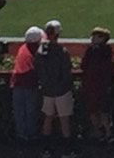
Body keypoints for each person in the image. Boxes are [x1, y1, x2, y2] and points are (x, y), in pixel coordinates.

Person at [36, 20, 75, 151]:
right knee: (64, 120)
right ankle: (67, 149)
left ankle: (46, 149)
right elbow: (66, 72)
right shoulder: (62, 51)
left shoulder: (41, 50)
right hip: (61, 90)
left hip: (47, 89)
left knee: (48, 118)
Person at [80, 28, 114, 144]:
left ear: (102, 38)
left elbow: (84, 65)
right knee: (99, 110)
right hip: (99, 86)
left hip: (96, 86)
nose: (92, 38)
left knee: (98, 110)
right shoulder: (105, 51)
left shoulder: (97, 51)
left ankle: (102, 132)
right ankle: (104, 132)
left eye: (95, 36)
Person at [10, 26, 43, 143]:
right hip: (29, 85)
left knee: (20, 112)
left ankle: (21, 135)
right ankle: (31, 135)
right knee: (30, 111)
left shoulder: (22, 48)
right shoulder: (35, 52)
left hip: (17, 83)